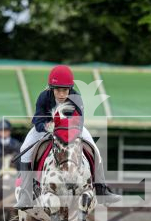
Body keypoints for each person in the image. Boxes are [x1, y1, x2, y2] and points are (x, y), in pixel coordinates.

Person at [14, 65, 120, 209]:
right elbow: (38, 121)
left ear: (70, 89)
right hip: (45, 129)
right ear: (52, 88)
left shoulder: (76, 98)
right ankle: (26, 195)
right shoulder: (44, 97)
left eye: (65, 90)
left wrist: (64, 130)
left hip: (71, 129)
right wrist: (47, 127)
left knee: (95, 150)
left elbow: (79, 123)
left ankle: (101, 189)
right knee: (24, 148)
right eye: (58, 90)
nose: (62, 94)